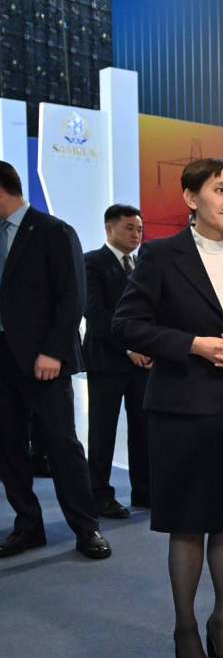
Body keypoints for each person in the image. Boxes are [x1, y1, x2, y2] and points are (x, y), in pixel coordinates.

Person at [113, 158, 223, 658]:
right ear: (190, 198)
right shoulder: (161, 255)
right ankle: (185, 627)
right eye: (220, 189)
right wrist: (193, 345)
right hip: (180, 408)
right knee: (186, 523)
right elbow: (127, 324)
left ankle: (222, 622)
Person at [0, 161, 110, 560]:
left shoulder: (53, 231)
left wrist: (53, 352)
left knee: (61, 444)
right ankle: (27, 526)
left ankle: (86, 528)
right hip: (2, 359)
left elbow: (72, 296)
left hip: (43, 359)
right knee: (9, 447)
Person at [84, 204, 152, 519]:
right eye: (129, 228)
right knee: (103, 430)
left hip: (142, 362)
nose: (136, 234)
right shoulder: (91, 262)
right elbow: (95, 312)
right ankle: (99, 494)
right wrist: (128, 347)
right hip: (107, 360)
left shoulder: (142, 265)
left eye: (139, 229)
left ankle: (145, 490)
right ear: (109, 229)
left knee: (143, 428)